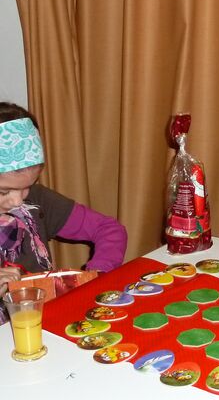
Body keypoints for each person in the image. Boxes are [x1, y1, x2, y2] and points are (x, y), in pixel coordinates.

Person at [0, 102, 127, 310]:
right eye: (4, 192)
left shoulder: (38, 200)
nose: (18, 202)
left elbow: (109, 229)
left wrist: (96, 276)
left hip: (45, 319)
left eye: (27, 187)